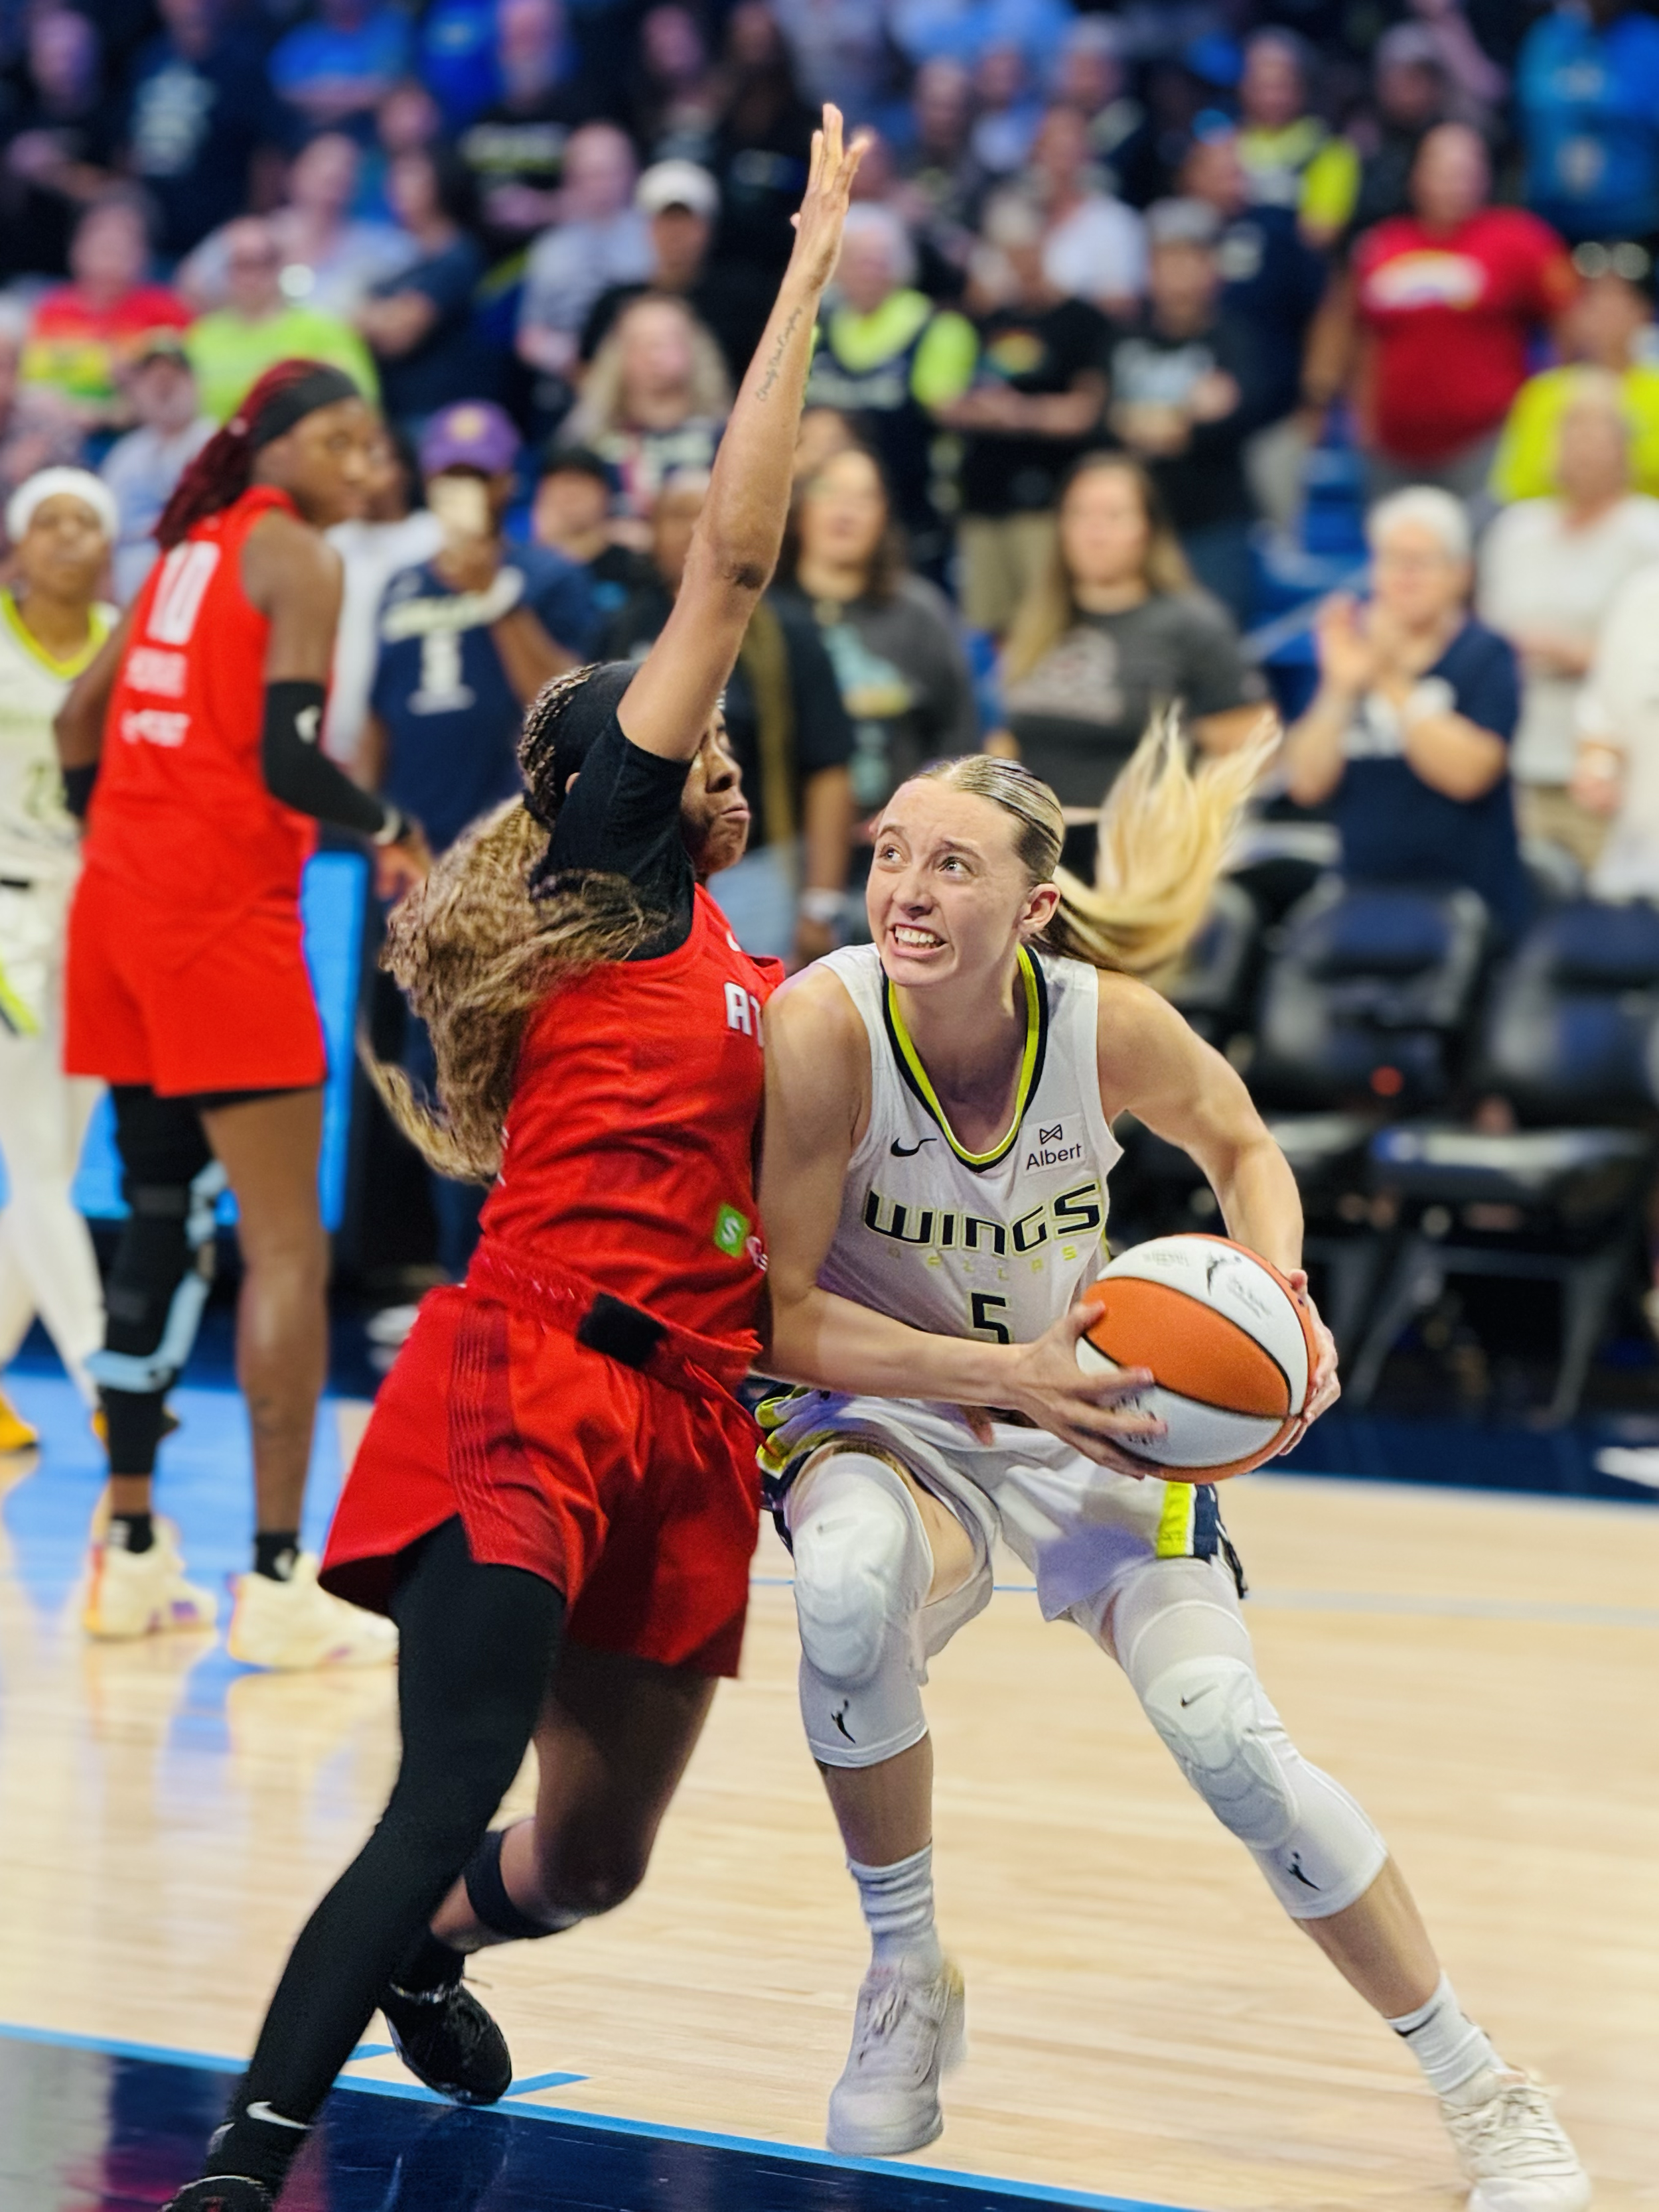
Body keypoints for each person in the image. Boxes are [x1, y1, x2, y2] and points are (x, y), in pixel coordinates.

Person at [153, 109, 887, 2212]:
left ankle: (440, 1951)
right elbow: (728, 564)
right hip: (533, 1377)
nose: (710, 730)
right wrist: (805, 269)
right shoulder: (615, 876)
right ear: (594, 784)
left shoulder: (746, 962)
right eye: (674, 720)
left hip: (684, 1417)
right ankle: (237, 2165)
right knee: (444, 1775)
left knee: (588, 1859)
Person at [749, 735, 1590, 2210]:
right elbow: (787, 1310)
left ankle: (1482, 2085)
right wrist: (1002, 1376)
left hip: (1093, 1409)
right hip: (898, 1404)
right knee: (843, 1584)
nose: (905, 886)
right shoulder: (822, 1027)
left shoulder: (1101, 1023)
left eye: (951, 862)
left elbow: (1240, 1140)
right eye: (890, 850)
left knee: (1225, 1735)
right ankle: (903, 1967)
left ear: (1032, 907)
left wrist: (1282, 1292)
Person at [54, 358, 429, 1666]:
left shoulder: (182, 549)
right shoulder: (297, 559)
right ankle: (275, 1581)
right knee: (285, 1251)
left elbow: (73, 721)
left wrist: (116, 827)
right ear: (269, 443)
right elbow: (286, 758)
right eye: (336, 438)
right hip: (220, 916)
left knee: (156, 1215)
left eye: (371, 446)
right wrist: (394, 828)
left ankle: (132, 1551)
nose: (359, 464)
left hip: (118, 909)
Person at [362, 399, 599, 1280]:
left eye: (477, 476)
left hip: (529, 876)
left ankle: (531, 1278)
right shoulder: (398, 586)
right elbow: (378, 728)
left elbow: (570, 712)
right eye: (448, 476)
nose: (462, 492)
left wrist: (493, 598)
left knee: (534, 1083)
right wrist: (382, 833)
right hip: (426, 875)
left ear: (506, 484)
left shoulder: (546, 577)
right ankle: (463, 1280)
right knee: (437, 1082)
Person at [603, 467, 855, 962]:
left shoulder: (789, 631)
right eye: (678, 515)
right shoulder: (622, 628)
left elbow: (829, 769)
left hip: (758, 869)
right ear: (650, 531)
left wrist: (820, 904)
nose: (694, 528)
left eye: (708, 515)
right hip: (643, 875)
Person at [0, 469, 116, 1457]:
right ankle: (106, 1375)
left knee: (58, 1166)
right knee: (37, 1160)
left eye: (87, 521)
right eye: (50, 520)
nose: (69, 536)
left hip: (97, 917)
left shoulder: (131, 642)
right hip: (5, 917)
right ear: (18, 542)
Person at [1283, 487, 1530, 943]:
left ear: (1461, 573)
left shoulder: (1486, 655)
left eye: (1422, 562)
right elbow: (1306, 782)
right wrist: (1338, 688)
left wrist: (1389, 678)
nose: (1406, 577)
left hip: (1466, 911)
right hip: (1360, 900)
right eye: (1393, 561)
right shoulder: (1350, 661)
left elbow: (1470, 772)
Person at [995, 452, 1268, 807]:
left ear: (1147, 529)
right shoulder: (1037, 620)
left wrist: (1181, 821)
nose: (1095, 533)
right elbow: (1007, 743)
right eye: (1079, 514)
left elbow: (1251, 747)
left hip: (1137, 845)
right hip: (1036, 842)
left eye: (1113, 516)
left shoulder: (1192, 625)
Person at [1479, 376, 1659, 868]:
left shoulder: (1648, 534)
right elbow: (1486, 636)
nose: (1582, 448)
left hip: (1621, 765)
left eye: (1597, 434)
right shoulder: (1515, 531)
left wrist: (1579, 653)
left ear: (1625, 448)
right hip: (1518, 752)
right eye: (1571, 432)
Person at [1348, 125, 1577, 506]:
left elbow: (1568, 318)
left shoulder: (1520, 239)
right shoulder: (1382, 244)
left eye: (1465, 172)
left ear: (1484, 178)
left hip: (1487, 441)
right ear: (1417, 176)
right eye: (1443, 171)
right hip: (1392, 447)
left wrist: (1546, 403)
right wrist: (1363, 420)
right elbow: (1363, 338)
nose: (1454, 184)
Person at [940, 190, 1110, 640]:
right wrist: (979, 411)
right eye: (1009, 250)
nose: (1020, 260)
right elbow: (950, 401)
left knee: (1049, 618)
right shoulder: (985, 321)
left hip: (1046, 498)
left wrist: (1019, 414)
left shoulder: (1082, 321)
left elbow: (1086, 411)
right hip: (983, 495)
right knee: (992, 624)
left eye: (1027, 247)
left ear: (1048, 244)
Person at [778, 442, 979, 816]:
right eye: (830, 491)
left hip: (903, 838)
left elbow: (960, 739)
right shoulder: (766, 614)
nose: (846, 510)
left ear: (884, 516)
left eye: (864, 497)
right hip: (783, 839)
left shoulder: (922, 613)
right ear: (801, 507)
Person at [1102, 196, 1269, 624]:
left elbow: (1235, 418)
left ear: (1211, 268)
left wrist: (1147, 423)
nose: (1178, 273)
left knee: (1217, 649)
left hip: (1214, 526)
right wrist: (1184, 416)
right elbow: (1101, 422)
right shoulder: (1122, 337)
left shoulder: (1236, 338)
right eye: (1167, 260)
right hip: (1135, 525)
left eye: (1190, 259)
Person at [802, 202, 975, 578]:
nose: (868, 271)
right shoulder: (816, 327)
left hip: (909, 519)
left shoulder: (938, 329)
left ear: (900, 266)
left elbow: (948, 413)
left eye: (880, 260)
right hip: (826, 518)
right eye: (858, 259)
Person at [1180, 127, 1329, 534]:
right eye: (1217, 170)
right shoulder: (1172, 235)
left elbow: (1322, 311)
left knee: (1277, 541)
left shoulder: (1276, 232)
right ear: (1190, 176)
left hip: (1273, 421)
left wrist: (1314, 400)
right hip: (1188, 432)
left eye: (1237, 170)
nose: (1231, 179)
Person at [179, 133, 415, 325]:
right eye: (323, 169)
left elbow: (414, 295)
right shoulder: (256, 234)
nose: (334, 177)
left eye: (345, 171)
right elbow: (191, 285)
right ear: (294, 173)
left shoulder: (378, 245)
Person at [580, 160, 773, 389]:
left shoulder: (744, 300)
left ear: (707, 227)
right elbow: (586, 373)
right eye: (665, 221)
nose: (675, 234)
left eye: (686, 221)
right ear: (647, 227)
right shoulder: (613, 303)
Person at [1492, 247, 1659, 505]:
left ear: (1643, 314)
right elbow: (1516, 484)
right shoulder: (1544, 391)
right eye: (1594, 303)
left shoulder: (1655, 389)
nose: (1605, 315)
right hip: (1559, 525)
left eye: (1618, 304)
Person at [321, 424, 442, 770]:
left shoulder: (434, 539)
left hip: (415, 728)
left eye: (374, 459)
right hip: (337, 730)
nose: (358, 473)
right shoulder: (328, 542)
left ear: (404, 471)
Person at [121, 0, 279, 261]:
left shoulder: (245, 61)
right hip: (151, 238)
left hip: (219, 240)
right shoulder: (149, 57)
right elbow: (128, 144)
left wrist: (255, 221)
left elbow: (268, 153)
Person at [20, 191, 191, 431]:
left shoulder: (166, 311)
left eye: (122, 244)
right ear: (77, 248)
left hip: (132, 431)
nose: (110, 254)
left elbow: (175, 393)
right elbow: (29, 381)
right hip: (52, 426)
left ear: (143, 254)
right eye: (101, 241)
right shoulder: (52, 307)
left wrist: (108, 407)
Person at [185, 218, 379, 425]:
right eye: (241, 265)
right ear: (226, 271)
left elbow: (361, 400)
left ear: (279, 265)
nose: (251, 276)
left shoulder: (324, 329)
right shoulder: (202, 337)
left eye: (261, 262)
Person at [561, 294, 731, 521]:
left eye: (667, 342)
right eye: (641, 343)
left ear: (694, 349)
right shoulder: (589, 443)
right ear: (618, 354)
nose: (654, 356)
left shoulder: (726, 439)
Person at [355, 145, 488, 423]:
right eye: (395, 177)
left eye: (410, 178)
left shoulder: (457, 256)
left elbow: (398, 336)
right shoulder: (397, 252)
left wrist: (363, 314)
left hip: (432, 416)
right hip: (391, 411)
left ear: (439, 184)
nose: (396, 187)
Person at [457, 0, 598, 261]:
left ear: (557, 40)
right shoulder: (481, 122)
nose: (524, 51)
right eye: (516, 38)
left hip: (565, 253)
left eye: (536, 36)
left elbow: (608, 199)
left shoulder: (584, 118)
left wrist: (545, 209)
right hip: (484, 260)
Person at [516, 121, 652, 386]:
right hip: (567, 384)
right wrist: (579, 371)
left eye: (611, 172)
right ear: (570, 179)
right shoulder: (549, 248)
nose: (602, 185)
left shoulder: (655, 238)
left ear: (634, 173)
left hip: (642, 373)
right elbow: (528, 337)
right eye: (590, 174)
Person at [1518, 0, 1659, 247]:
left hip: (1632, 217)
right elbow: (1529, 103)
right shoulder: (1551, 35)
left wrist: (1599, 97)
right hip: (1552, 216)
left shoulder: (1648, 42)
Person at [0, 6, 120, 283]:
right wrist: (13, 167)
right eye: (50, 57)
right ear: (33, 61)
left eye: (71, 56)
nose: (61, 66)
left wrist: (58, 174)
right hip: (18, 272)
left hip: (89, 280)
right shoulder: (16, 116)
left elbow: (126, 194)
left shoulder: (110, 119)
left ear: (92, 57)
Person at [99, 332, 216, 605]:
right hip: (125, 597)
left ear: (194, 384)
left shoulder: (217, 445)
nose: (163, 385)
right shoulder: (125, 454)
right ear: (137, 389)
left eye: (173, 376)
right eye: (153, 378)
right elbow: (104, 534)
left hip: (195, 588)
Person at [1234, 27, 1358, 246]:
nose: (1272, 98)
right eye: (1262, 86)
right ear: (1243, 87)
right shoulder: (1222, 144)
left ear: (1302, 87)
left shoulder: (1327, 148)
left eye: (1282, 86)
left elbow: (1323, 232)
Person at [1023, 103, 1147, 320]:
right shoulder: (1015, 218)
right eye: (1049, 146)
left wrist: (1051, 293)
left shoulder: (1116, 223)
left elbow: (1125, 307)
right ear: (1034, 154)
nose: (1059, 162)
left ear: (1088, 153)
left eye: (1068, 149)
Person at [531, 445, 652, 620]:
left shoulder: (634, 564)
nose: (571, 494)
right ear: (542, 494)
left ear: (605, 493)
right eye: (561, 485)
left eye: (581, 484)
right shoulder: (525, 569)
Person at [267, 0, 411, 141]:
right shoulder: (301, 39)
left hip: (376, 132)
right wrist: (356, 93)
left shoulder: (391, 29)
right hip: (310, 135)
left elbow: (393, 85)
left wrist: (325, 91)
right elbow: (286, 91)